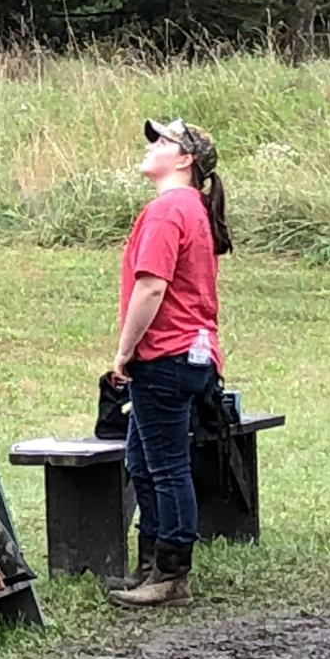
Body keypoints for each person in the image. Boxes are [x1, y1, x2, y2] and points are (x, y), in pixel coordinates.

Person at [106, 118, 231, 610]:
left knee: (166, 466)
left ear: (185, 160)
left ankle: (172, 574)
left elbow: (151, 286)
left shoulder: (166, 211)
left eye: (163, 141)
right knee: (143, 460)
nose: (152, 146)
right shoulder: (193, 207)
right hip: (194, 353)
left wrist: (123, 350)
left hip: (165, 355)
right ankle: (151, 567)